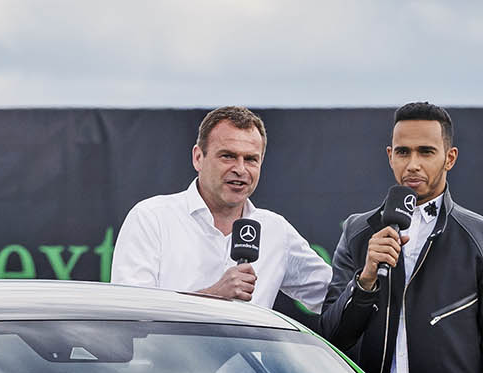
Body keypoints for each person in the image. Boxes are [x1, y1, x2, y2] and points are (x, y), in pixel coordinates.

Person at [315, 102, 483, 373]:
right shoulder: (357, 231)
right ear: (389, 156)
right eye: (403, 152)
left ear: (450, 157)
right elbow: (333, 336)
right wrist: (365, 280)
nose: (413, 164)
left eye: (426, 152)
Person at [111, 106, 331, 312]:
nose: (240, 169)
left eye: (251, 159)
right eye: (228, 156)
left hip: (247, 355)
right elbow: (129, 313)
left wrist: (365, 279)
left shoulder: (275, 230)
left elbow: (332, 297)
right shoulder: (152, 217)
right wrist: (213, 295)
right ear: (198, 158)